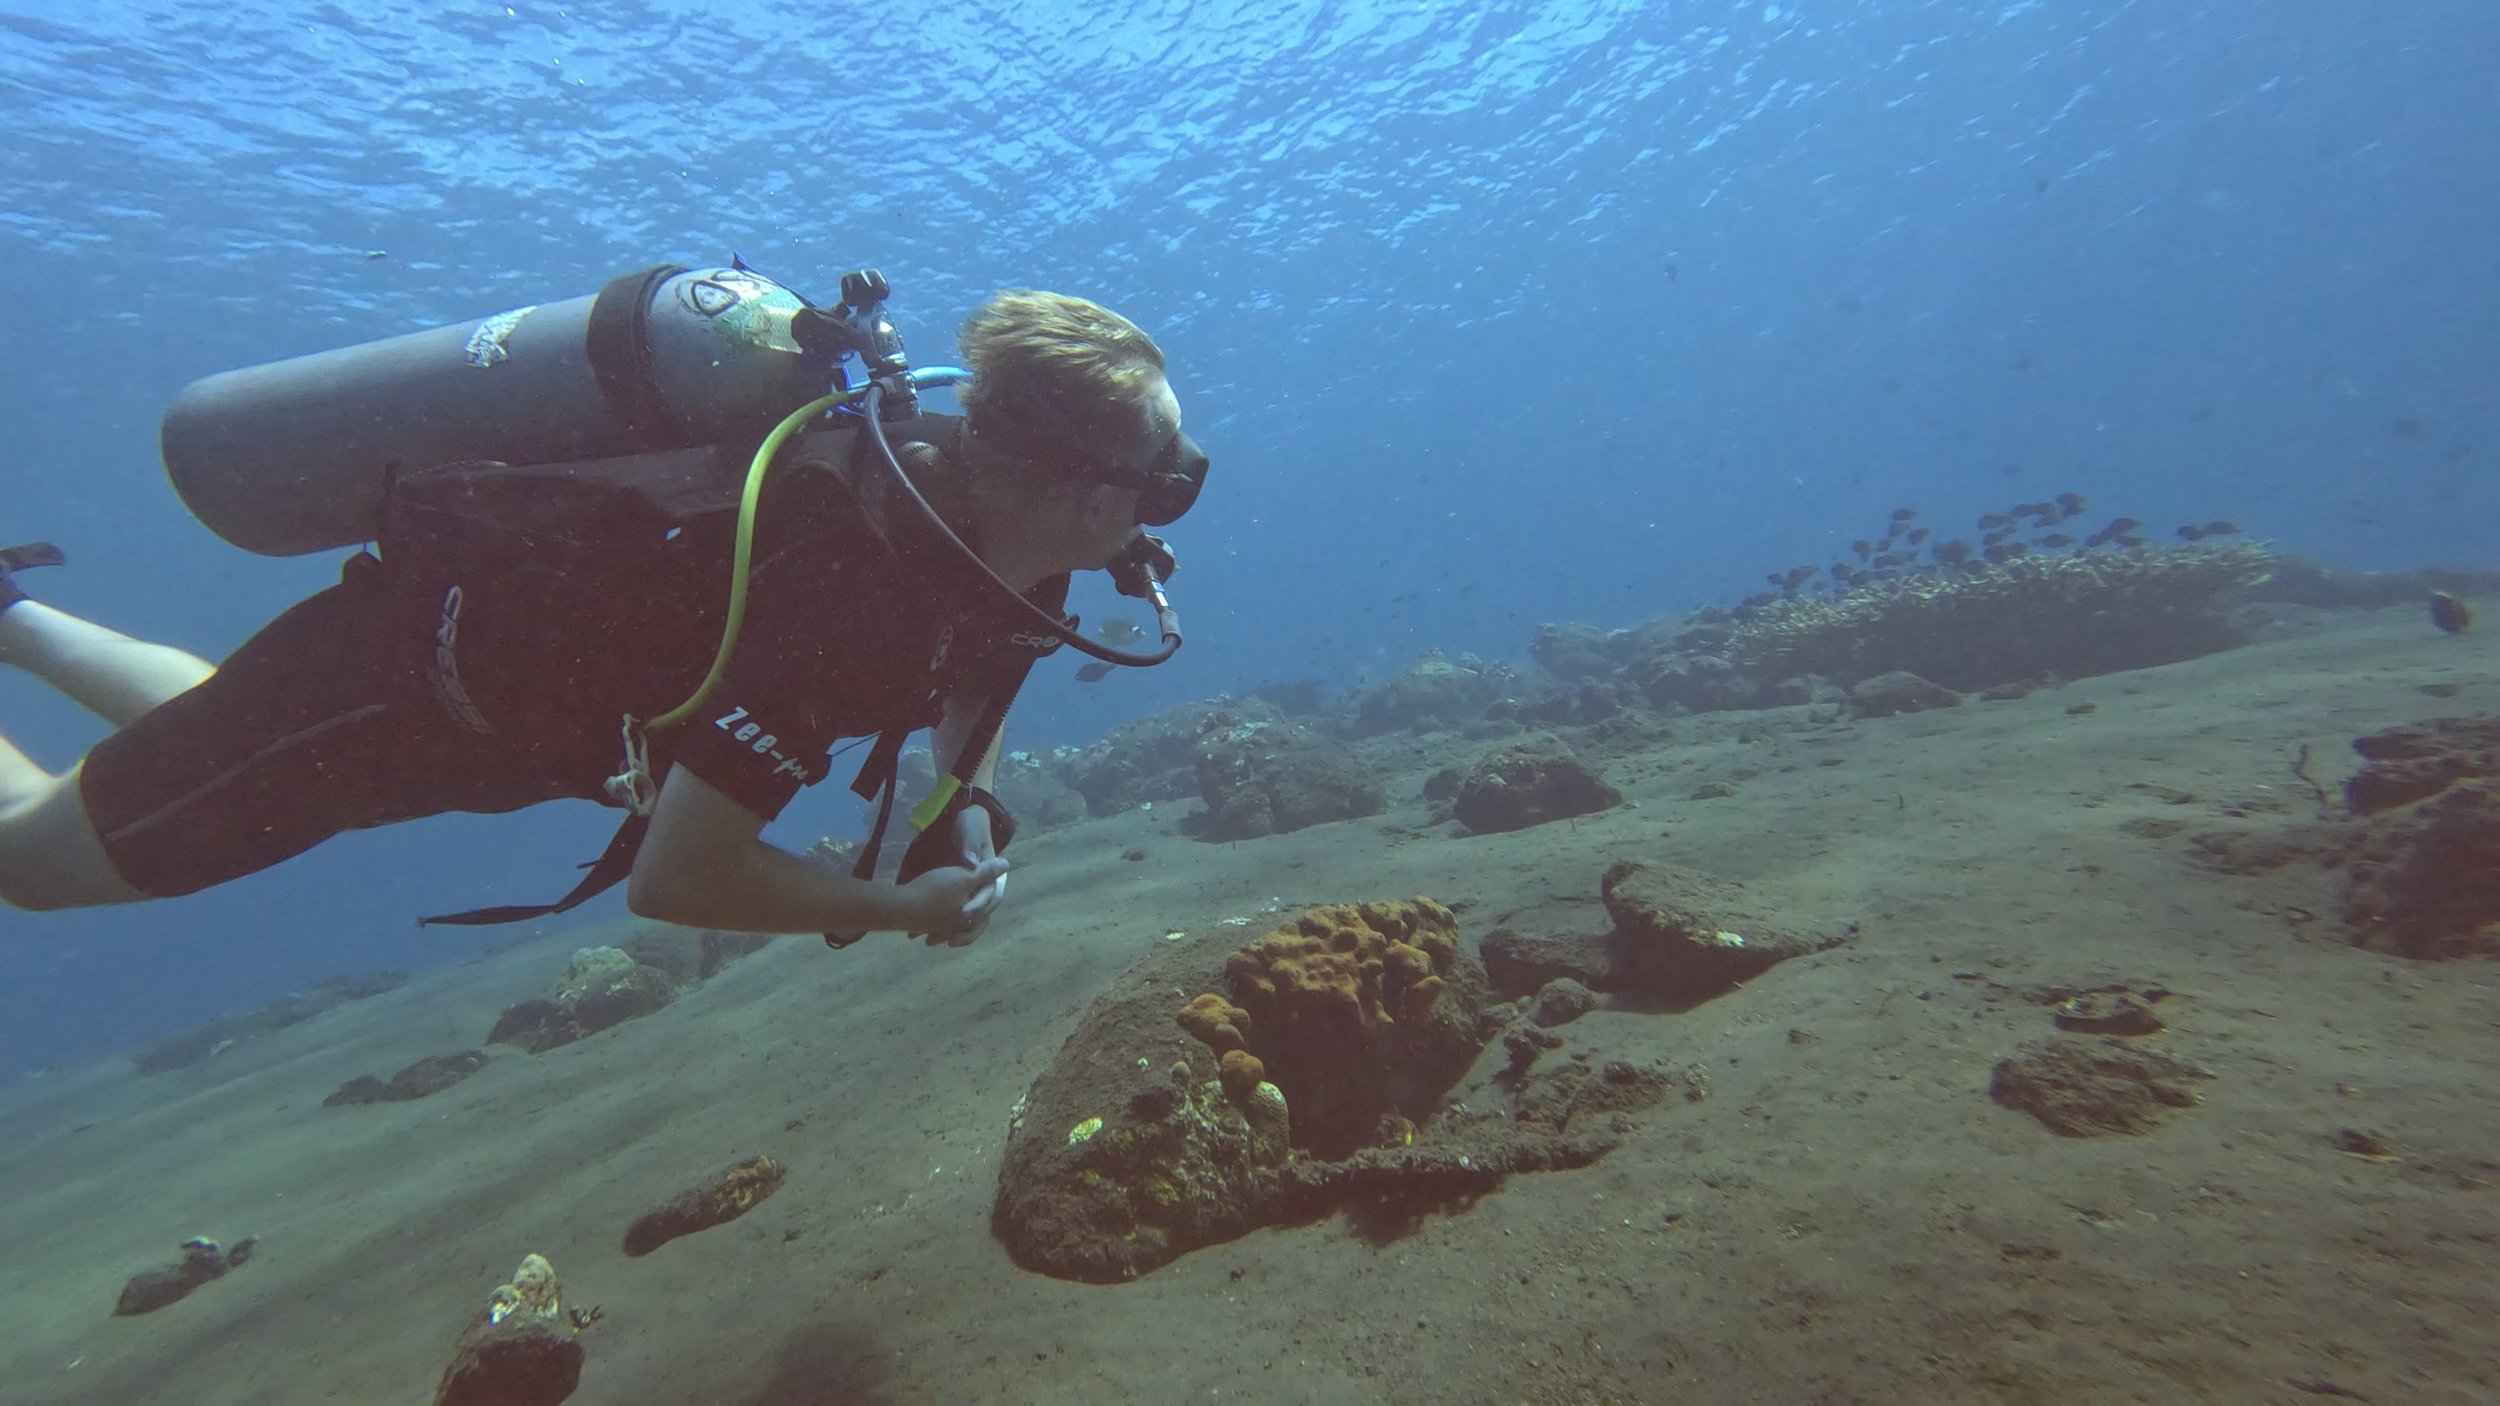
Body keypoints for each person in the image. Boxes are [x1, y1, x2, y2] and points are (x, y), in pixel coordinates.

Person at [0, 289, 1206, 945]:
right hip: (400, 687)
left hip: (507, 730)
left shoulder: (1000, 543)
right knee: (30, 862)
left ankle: (8, 612)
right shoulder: (852, 598)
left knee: (233, 738)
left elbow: (976, 680)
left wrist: (962, 808)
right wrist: (888, 907)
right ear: (1084, 484)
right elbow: (678, 880)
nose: (1167, 507)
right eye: (1164, 476)